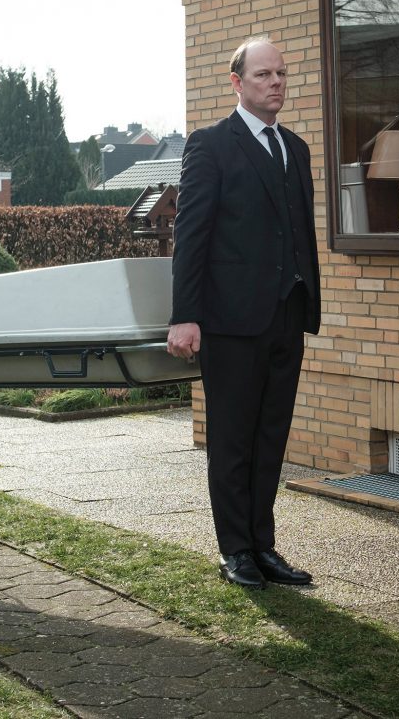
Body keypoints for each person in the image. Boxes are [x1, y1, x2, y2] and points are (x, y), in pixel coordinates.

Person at [166, 37, 320, 589]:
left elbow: (297, 231)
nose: (275, 82)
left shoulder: (296, 149)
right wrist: (184, 315)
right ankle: (235, 549)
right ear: (237, 82)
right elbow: (192, 234)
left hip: (286, 316)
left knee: (270, 436)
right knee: (232, 439)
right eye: (262, 75)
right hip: (229, 321)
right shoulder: (210, 145)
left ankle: (264, 546)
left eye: (280, 73)